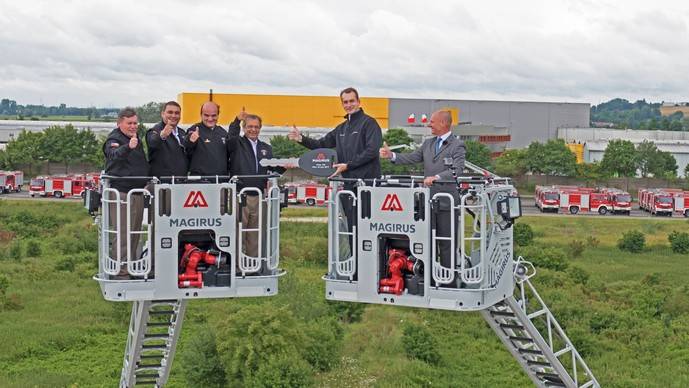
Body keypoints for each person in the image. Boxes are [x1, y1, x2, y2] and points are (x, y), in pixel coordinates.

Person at [288, 87, 382, 259]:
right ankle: (356, 269)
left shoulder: (369, 123)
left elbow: (372, 150)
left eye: (351, 101)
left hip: (368, 187)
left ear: (359, 102)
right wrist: (301, 139)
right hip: (348, 187)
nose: (348, 105)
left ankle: (374, 268)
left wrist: (348, 165)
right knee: (353, 229)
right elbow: (321, 144)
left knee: (369, 230)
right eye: (345, 102)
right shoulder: (342, 128)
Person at [379, 110, 465, 285]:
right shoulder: (427, 144)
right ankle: (430, 280)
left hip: (446, 203)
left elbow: (457, 169)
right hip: (428, 202)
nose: (429, 124)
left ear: (443, 123)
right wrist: (392, 156)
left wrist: (437, 178)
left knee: (446, 243)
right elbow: (412, 158)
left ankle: (448, 281)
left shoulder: (458, 145)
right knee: (428, 241)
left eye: (432, 122)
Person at [227, 114, 287, 261]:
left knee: (255, 235)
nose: (253, 130)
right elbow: (230, 138)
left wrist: (284, 167)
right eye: (249, 126)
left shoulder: (266, 148)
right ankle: (235, 266)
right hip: (240, 196)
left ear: (260, 128)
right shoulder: (237, 144)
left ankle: (252, 265)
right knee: (237, 233)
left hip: (259, 197)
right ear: (243, 128)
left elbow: (272, 171)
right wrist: (236, 120)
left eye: (256, 127)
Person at [103, 107, 150, 279]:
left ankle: (129, 267)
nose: (133, 126)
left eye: (135, 123)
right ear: (119, 123)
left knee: (134, 233)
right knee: (123, 234)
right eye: (129, 123)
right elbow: (113, 155)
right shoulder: (115, 139)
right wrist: (127, 147)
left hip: (136, 193)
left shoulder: (135, 139)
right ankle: (121, 272)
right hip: (122, 194)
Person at [185, 102, 245, 176]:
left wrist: (237, 121)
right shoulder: (194, 129)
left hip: (220, 180)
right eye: (206, 115)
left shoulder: (222, 132)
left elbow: (231, 147)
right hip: (200, 182)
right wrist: (191, 141)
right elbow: (186, 148)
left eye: (214, 115)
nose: (210, 119)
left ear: (218, 115)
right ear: (201, 115)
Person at [146, 101, 188, 179]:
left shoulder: (182, 132)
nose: (173, 115)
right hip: (162, 184)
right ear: (162, 114)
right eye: (170, 112)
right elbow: (152, 143)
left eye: (177, 113)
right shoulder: (154, 130)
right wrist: (162, 136)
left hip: (181, 182)